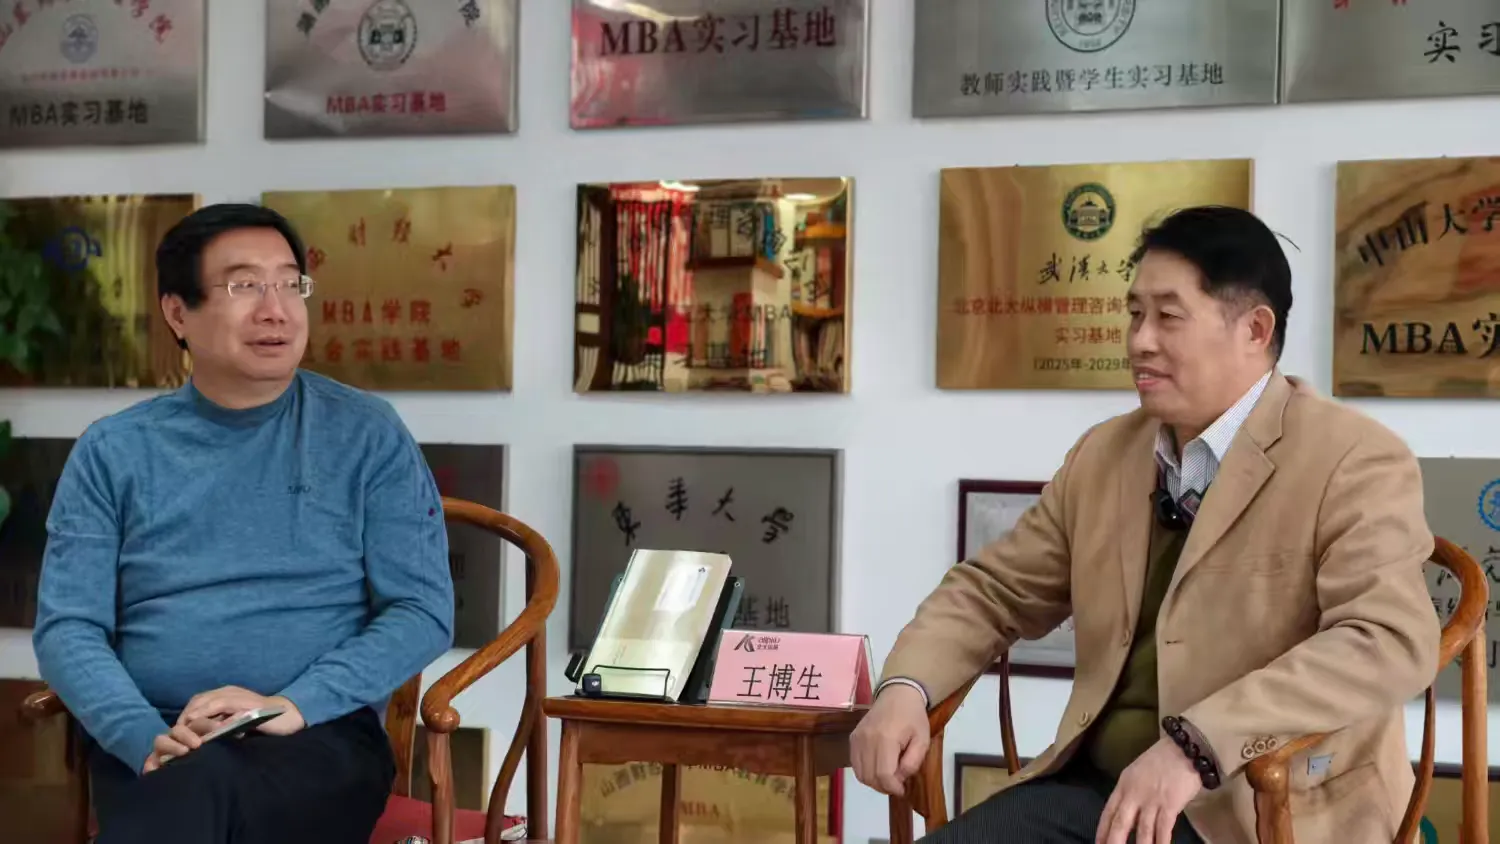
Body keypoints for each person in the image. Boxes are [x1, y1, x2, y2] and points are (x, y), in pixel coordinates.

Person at [852, 206, 1441, 844]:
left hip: (1262, 811)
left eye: (1168, 316)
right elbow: (992, 589)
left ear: (1254, 329)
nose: (1139, 341)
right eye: (1135, 314)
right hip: (1101, 794)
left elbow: (1386, 639)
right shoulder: (1106, 453)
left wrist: (1197, 746)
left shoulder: (1352, 457)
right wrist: (906, 686)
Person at [31, 203, 455, 844]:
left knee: (200, 791)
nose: (275, 310)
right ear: (178, 313)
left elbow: (422, 609)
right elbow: (69, 627)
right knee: (191, 782)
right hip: (157, 738)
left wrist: (295, 703)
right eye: (244, 286)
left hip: (314, 736)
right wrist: (140, 735)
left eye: (289, 284)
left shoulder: (366, 434)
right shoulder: (112, 451)